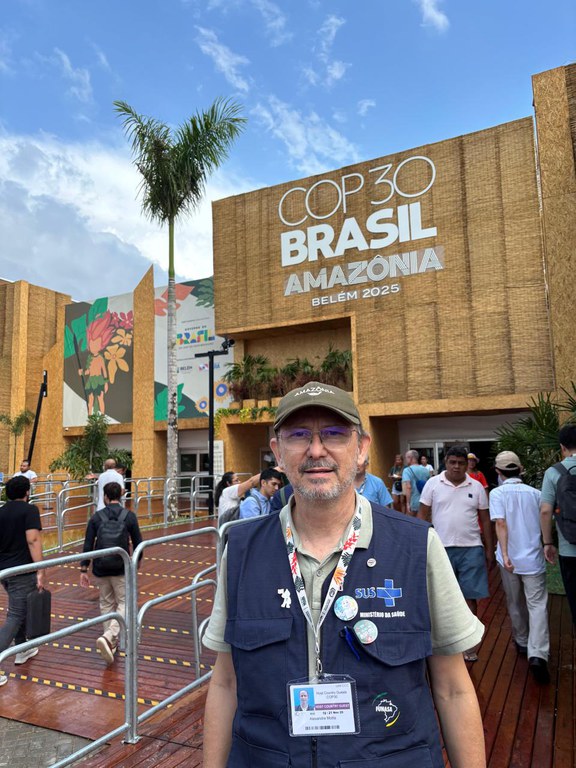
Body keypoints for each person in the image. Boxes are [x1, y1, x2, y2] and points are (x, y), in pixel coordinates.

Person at [203, 382, 486, 767]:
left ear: (362, 448)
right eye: (299, 435)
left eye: (334, 434)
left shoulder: (416, 546)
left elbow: (453, 689)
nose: (316, 450)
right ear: (278, 453)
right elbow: (225, 683)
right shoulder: (240, 549)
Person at [418, 444, 493, 662]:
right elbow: (422, 515)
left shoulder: (477, 486)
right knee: (440, 596)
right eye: (452, 462)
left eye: (461, 463)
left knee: (470, 596)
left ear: (466, 464)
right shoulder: (433, 484)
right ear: (446, 463)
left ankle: (469, 646)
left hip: (472, 549)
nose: (457, 467)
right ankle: (442, 644)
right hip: (440, 548)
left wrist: (489, 549)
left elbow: (486, 520)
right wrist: (417, 547)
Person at [490, 451, 550, 684]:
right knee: (537, 605)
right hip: (533, 558)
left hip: (509, 560)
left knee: (515, 602)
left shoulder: (497, 493)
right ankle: (538, 653)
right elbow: (545, 518)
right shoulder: (536, 494)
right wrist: (547, 544)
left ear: (498, 471)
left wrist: (505, 554)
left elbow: (501, 523)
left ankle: (523, 642)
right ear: (521, 469)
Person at [80, 481, 142, 665]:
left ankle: (110, 643)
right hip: (121, 566)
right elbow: (139, 543)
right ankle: (109, 637)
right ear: (120, 496)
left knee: (106, 603)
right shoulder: (129, 516)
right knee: (125, 603)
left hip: (101, 567)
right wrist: (135, 564)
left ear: (105, 497)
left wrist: (84, 568)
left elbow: (88, 544)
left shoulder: (96, 517)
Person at [0, 476, 45, 686]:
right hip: (22, 570)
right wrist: (40, 569)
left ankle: (22, 648)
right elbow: (33, 539)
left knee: (21, 608)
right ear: (27, 492)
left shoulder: (1, 511)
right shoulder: (30, 511)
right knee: (16, 614)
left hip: (5, 571)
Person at [540, 423, 576, 628]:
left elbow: (545, 510)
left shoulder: (554, 472)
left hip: (569, 549)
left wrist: (548, 542)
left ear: (562, 447)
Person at [402, 449, 430, 516]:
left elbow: (408, 487)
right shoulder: (425, 470)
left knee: (412, 524)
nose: (406, 460)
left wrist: (407, 503)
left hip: (413, 502)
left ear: (410, 458)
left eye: (406, 458)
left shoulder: (407, 470)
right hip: (425, 502)